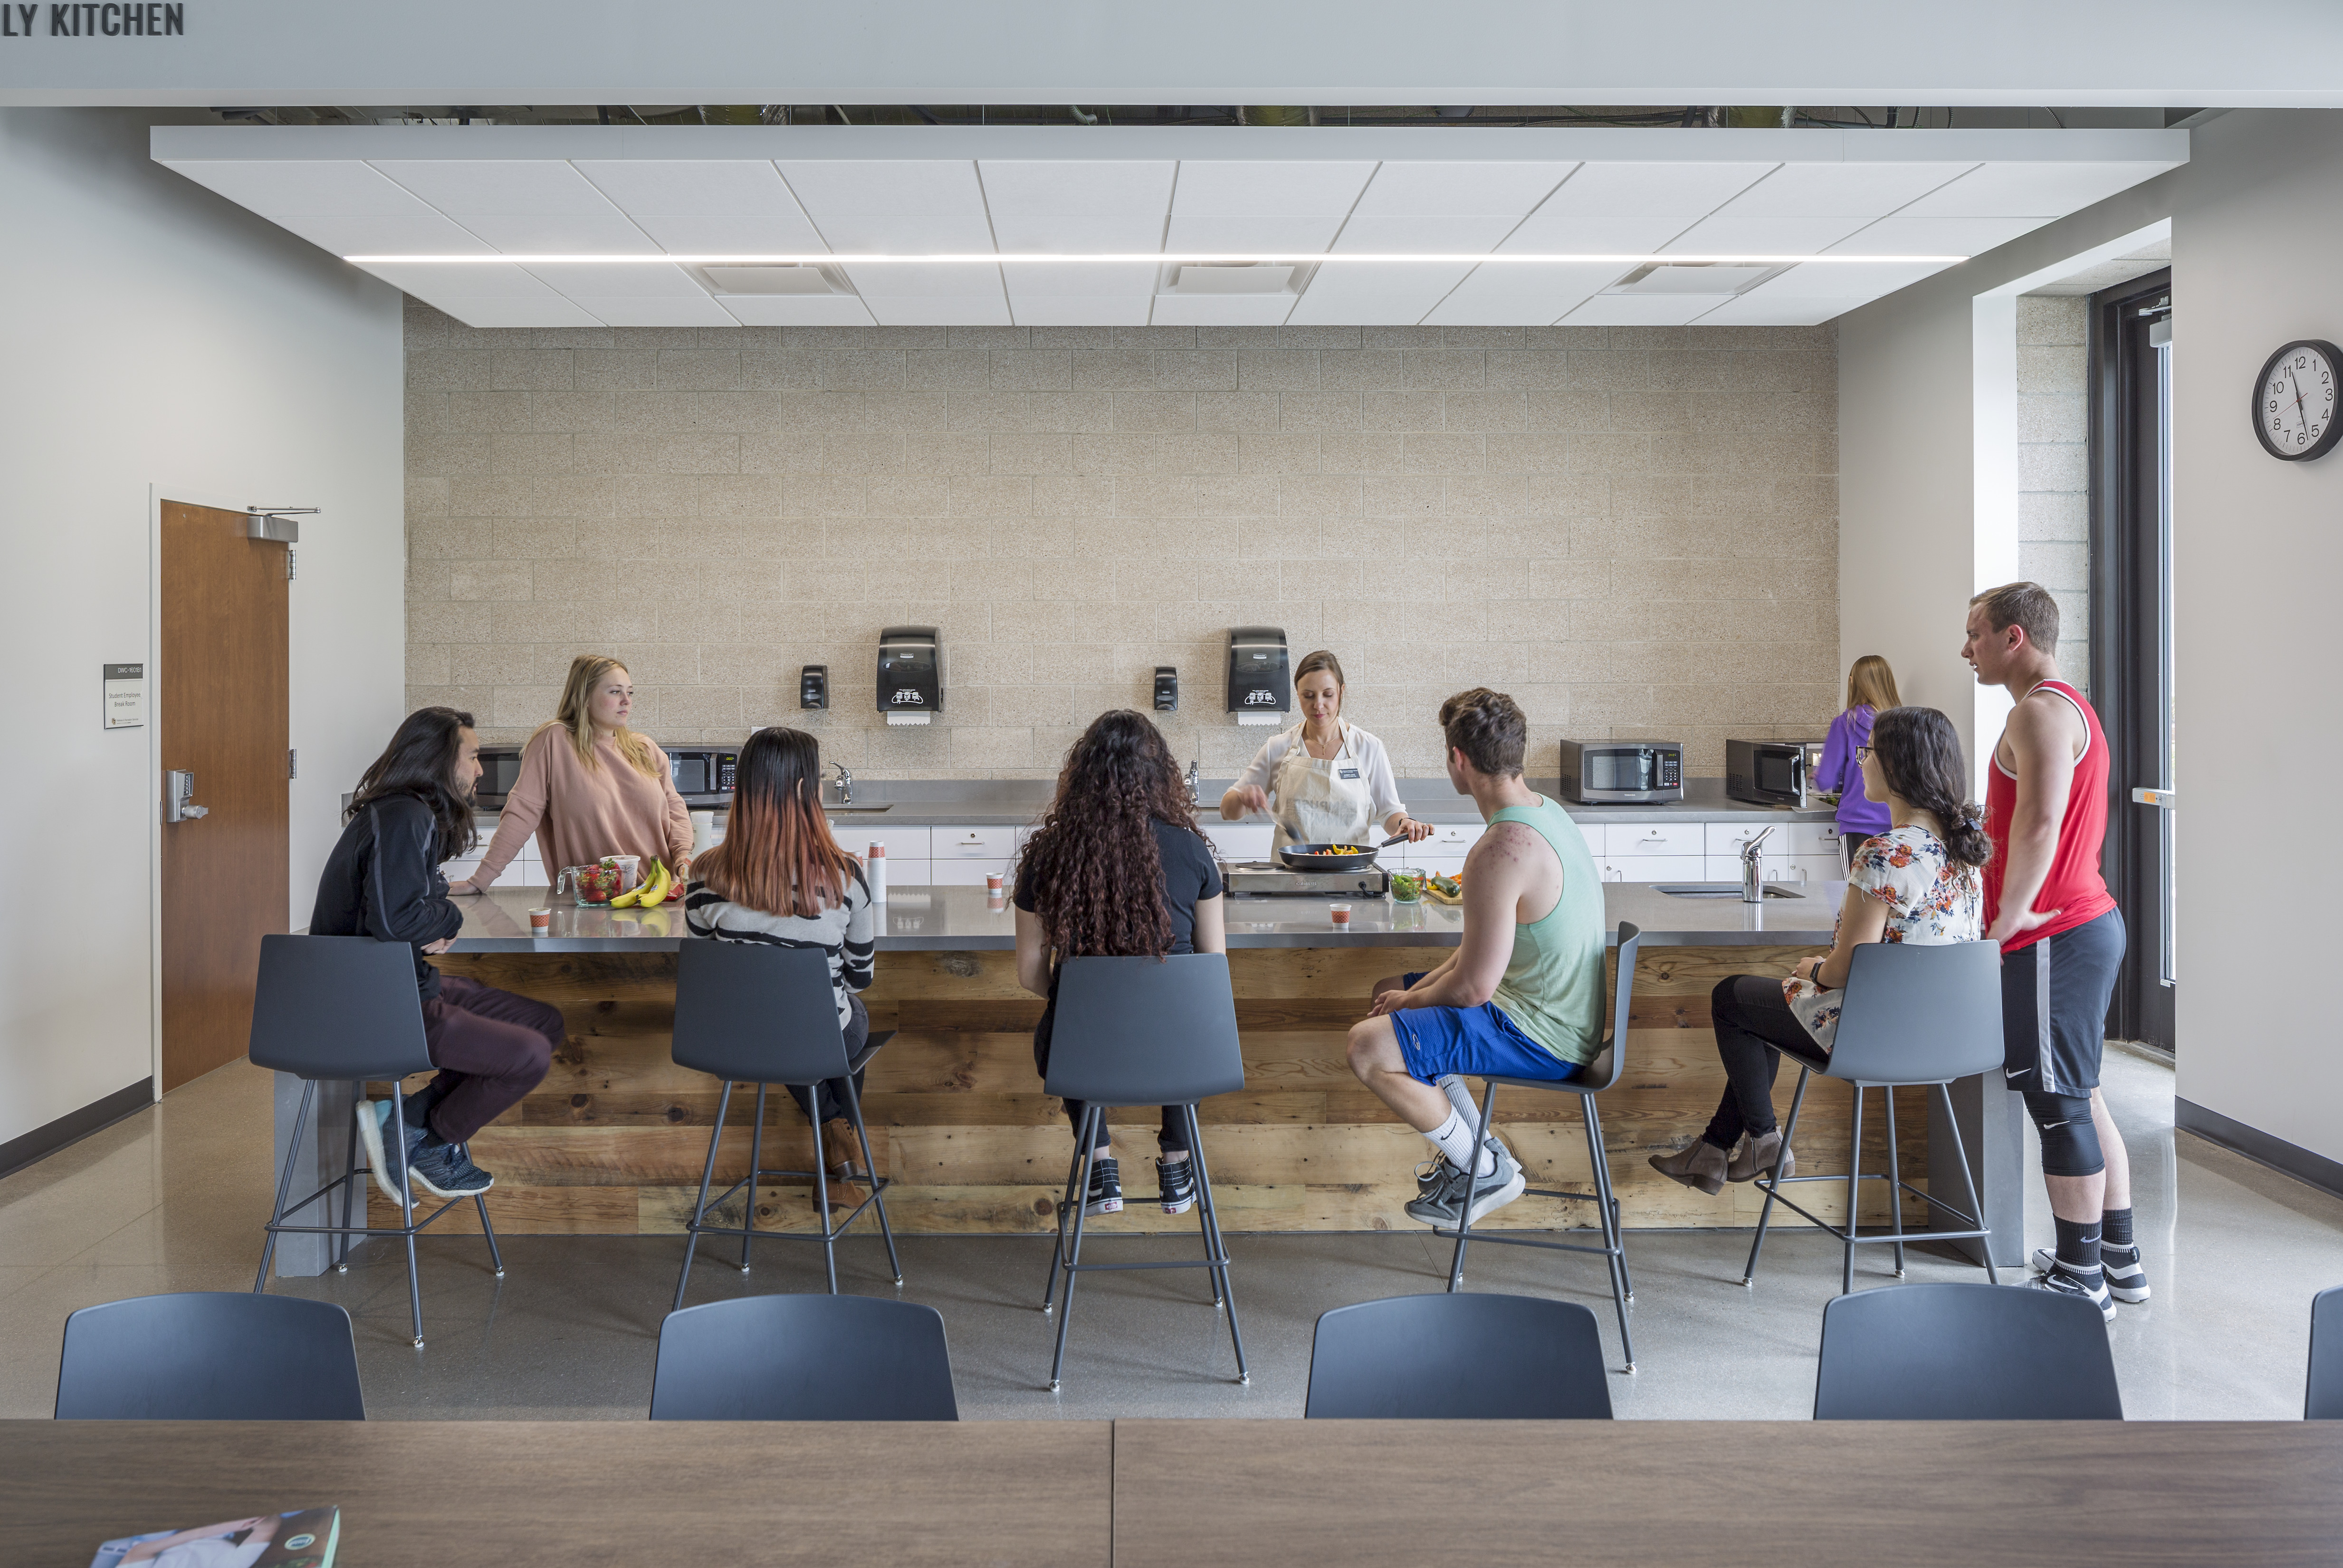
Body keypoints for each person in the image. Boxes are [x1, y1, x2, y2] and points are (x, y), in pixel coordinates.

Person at [1649, 706, 1989, 1195]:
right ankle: (1713, 1151)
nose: (1860, 761)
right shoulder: (1961, 852)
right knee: (1761, 1013)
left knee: (1732, 998)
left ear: (1894, 767)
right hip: (1945, 1037)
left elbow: (1843, 972)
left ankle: (1763, 1140)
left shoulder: (1886, 852)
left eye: (1866, 752)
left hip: (1872, 1033)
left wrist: (1812, 968)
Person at [1345, 688, 1607, 1227]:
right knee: (1386, 993)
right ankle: (1478, 1151)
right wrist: (1408, 995)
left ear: (1457, 761)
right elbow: (1473, 959)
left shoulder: (1499, 848)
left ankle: (1481, 1166)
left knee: (1366, 1046)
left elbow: (1471, 991)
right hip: (1558, 1016)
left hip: (1542, 1037)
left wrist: (1413, 1001)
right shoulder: (1545, 813)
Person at [1964, 581, 2139, 1322]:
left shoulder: (2037, 711)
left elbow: (2039, 822)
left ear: (2013, 638)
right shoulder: (2064, 707)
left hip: (2053, 935)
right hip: (2081, 924)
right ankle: (2116, 1260)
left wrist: (2008, 916)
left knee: (2058, 1103)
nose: (1963, 647)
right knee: (2084, 1093)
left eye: (1973, 633)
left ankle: (2077, 1278)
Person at [315, 707, 562, 1200]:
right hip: (371, 1004)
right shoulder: (403, 815)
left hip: (398, 985)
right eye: (472, 757)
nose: (479, 771)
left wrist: (437, 910)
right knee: (528, 1056)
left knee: (544, 1024)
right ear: (439, 760)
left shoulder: (408, 815)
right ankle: (432, 1141)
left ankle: (407, 1119)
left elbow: (411, 907)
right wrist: (446, 917)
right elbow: (398, 921)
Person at [1016, 709, 1226, 1218]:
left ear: (1082, 775)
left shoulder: (1049, 854)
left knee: (1065, 1020)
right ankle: (1178, 1159)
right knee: (1183, 1019)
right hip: (1179, 1055)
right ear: (1160, 777)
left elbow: (1027, 971)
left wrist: (1083, 1004)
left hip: (1083, 1054)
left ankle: (1098, 1160)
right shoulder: (1192, 851)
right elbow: (1211, 971)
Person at [683, 727, 879, 1213]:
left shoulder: (703, 874)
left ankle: (833, 1135)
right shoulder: (843, 876)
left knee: (781, 1020)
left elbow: (708, 975)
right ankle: (837, 1137)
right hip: (816, 1037)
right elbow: (860, 978)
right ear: (802, 790)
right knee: (835, 1020)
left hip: (731, 1041)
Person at [452, 654, 693, 896]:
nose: (626, 701)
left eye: (630, 693)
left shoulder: (645, 749)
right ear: (585, 697)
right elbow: (521, 813)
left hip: (661, 896)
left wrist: (684, 857)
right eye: (615, 692)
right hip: (591, 901)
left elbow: (674, 809)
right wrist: (480, 880)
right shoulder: (554, 741)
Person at [1220, 649, 1435, 856]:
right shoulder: (1277, 747)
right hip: (1291, 879)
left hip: (1351, 875)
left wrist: (1404, 823)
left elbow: (1389, 813)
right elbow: (1228, 811)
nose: (1318, 705)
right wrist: (1241, 797)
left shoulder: (1369, 747)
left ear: (1342, 692)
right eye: (1309, 696)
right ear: (1297, 695)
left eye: (1328, 695)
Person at [1816, 654, 1900, 870]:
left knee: (1855, 898)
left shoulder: (1845, 724)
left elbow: (1826, 780)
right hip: (1897, 824)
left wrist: (1819, 774)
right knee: (1890, 899)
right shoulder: (1904, 725)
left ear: (1853, 682)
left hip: (1857, 825)